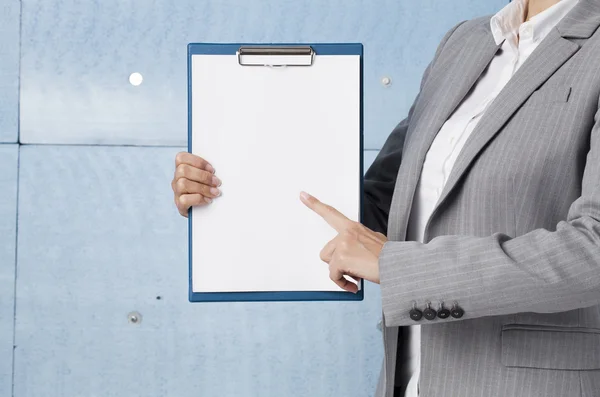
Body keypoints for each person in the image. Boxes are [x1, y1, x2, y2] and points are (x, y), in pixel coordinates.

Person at [172, 0, 600, 395]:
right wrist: (228, 194)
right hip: (409, 382)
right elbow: (380, 208)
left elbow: (594, 250)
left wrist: (400, 267)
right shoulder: (465, 42)